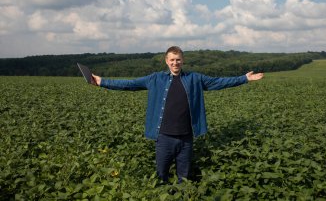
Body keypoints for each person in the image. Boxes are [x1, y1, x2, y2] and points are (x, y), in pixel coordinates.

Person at [91, 46, 264, 183]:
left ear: (183, 61)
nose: (175, 63)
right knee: (161, 176)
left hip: (187, 137)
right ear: (166, 61)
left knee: (185, 177)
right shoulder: (155, 79)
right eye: (172, 60)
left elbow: (218, 82)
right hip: (164, 137)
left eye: (178, 59)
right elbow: (129, 84)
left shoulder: (195, 78)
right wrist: (102, 81)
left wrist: (244, 78)